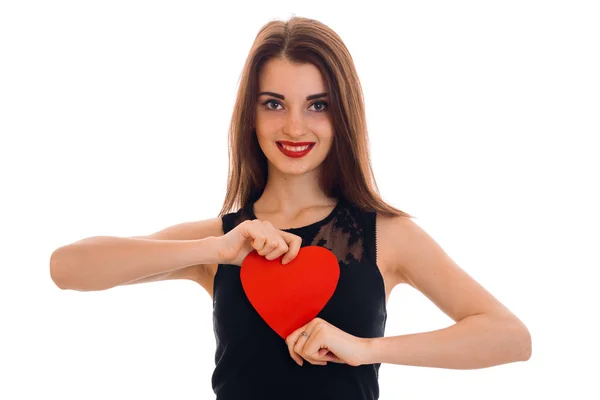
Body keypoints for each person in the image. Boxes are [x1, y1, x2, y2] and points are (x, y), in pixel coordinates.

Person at [49, 16, 532, 400]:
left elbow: (511, 338)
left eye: (317, 105)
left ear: (342, 114)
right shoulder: (220, 240)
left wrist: (366, 350)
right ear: (251, 114)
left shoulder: (386, 234)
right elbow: (67, 268)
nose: (295, 127)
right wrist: (214, 247)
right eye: (274, 104)